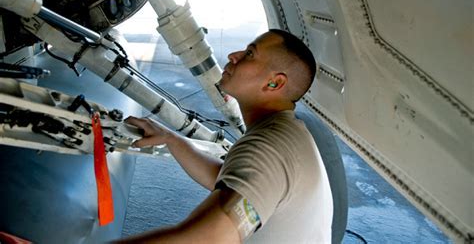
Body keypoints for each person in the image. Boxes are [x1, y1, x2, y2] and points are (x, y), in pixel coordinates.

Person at [119, 29, 333, 243]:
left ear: (274, 83)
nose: (234, 55)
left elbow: (210, 238)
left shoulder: (268, 147)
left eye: (250, 53)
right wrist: (171, 139)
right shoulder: (285, 131)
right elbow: (224, 177)